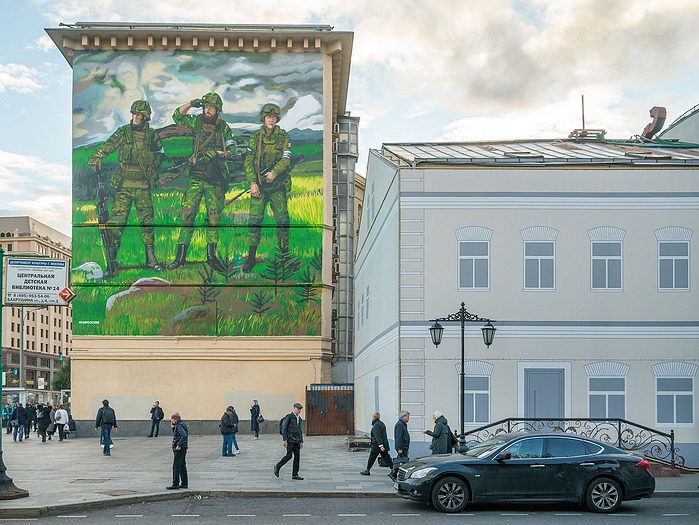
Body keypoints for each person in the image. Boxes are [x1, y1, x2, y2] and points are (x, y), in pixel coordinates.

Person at [88, 100, 165, 277]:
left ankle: (151, 260)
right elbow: (109, 145)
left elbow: (160, 154)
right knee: (115, 224)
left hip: (143, 186)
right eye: (133, 114)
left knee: (147, 223)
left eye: (138, 115)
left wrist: (153, 166)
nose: (135, 117)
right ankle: (112, 263)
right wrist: (97, 157)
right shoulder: (124, 132)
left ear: (145, 117)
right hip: (124, 186)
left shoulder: (152, 136)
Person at [168, 92, 235, 272]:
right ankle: (180, 258)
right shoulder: (196, 122)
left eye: (211, 107)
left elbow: (231, 151)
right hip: (196, 177)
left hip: (214, 179)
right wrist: (191, 103)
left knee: (213, 217)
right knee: (187, 214)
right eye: (205, 107)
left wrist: (217, 154)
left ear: (218, 110)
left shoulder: (223, 127)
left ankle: (211, 258)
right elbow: (177, 116)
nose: (207, 110)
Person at [242, 103, 293, 273]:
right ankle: (251, 259)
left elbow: (286, 159)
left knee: (283, 221)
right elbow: (248, 161)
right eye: (268, 117)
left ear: (277, 119)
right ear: (263, 119)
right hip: (259, 187)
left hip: (277, 186)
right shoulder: (256, 137)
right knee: (254, 222)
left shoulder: (283, 136)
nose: (271, 120)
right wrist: (252, 182)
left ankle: (285, 257)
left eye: (273, 117)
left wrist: (275, 172)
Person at [274, 402, 304, 480]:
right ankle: (277, 466)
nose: (299, 410)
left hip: (297, 440)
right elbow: (284, 428)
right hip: (290, 440)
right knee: (289, 456)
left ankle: (295, 474)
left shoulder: (299, 419)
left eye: (300, 409)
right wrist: (285, 440)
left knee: (297, 457)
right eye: (298, 409)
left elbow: (300, 430)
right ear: (294, 408)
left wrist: (301, 441)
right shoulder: (289, 417)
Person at [167, 413, 189, 490]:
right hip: (183, 448)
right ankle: (184, 483)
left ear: (175, 419)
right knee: (182, 465)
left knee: (176, 466)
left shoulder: (179, 426)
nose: (171, 420)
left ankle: (175, 483)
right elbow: (178, 435)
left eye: (172, 419)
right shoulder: (181, 424)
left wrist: (179, 445)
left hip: (179, 449)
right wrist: (173, 428)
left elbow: (184, 435)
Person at [389, 410, 410, 481]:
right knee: (402, 461)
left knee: (401, 461)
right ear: (404, 416)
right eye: (408, 416)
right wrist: (400, 448)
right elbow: (399, 437)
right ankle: (394, 474)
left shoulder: (403, 424)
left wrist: (407, 448)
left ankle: (395, 474)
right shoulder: (400, 424)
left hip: (404, 447)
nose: (408, 418)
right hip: (402, 447)